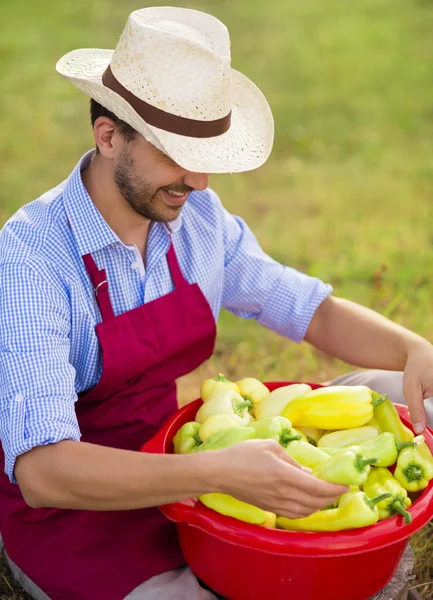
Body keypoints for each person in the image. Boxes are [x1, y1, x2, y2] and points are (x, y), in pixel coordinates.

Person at [0, 7, 432, 600]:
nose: (199, 181)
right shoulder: (32, 257)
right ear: (108, 136)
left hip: (189, 444)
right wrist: (219, 472)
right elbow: (43, 472)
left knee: (411, 395)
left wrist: (413, 349)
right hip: (84, 508)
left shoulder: (196, 215)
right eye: (177, 154)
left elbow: (310, 310)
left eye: (207, 154)